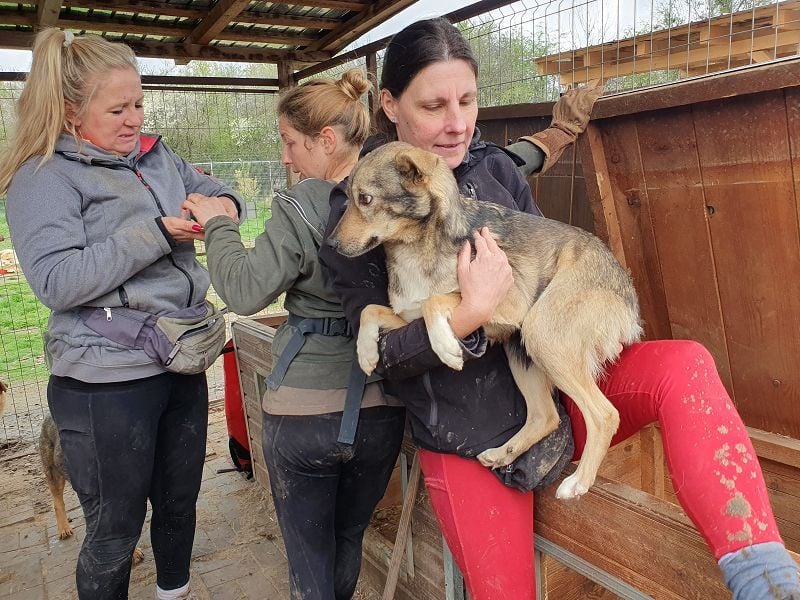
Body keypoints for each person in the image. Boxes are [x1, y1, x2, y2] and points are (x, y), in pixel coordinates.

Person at [319, 17, 800, 600]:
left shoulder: (493, 170)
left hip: (552, 378)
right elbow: (385, 359)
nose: (457, 123)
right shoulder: (361, 213)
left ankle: (764, 577)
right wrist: (469, 313)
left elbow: (542, 263)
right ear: (390, 105)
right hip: (466, 434)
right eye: (434, 105)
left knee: (684, 365)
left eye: (467, 100)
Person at [0, 29, 242, 600]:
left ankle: (173, 592)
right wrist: (155, 234)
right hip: (104, 380)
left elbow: (221, 191)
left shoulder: (154, 156)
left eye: (138, 103)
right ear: (69, 111)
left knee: (180, 503)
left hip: (177, 360)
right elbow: (57, 281)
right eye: (118, 109)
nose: (135, 119)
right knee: (114, 528)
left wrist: (223, 207)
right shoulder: (42, 177)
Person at [182, 69, 406, 600]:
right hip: (382, 408)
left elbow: (243, 290)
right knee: (348, 539)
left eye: (289, 142)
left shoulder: (303, 202)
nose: (285, 157)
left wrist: (218, 224)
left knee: (309, 564)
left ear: (326, 139)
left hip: (305, 413)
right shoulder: (397, 189)